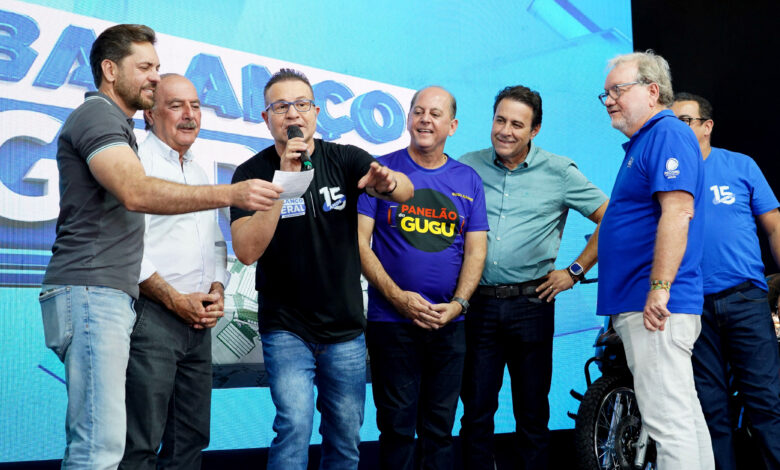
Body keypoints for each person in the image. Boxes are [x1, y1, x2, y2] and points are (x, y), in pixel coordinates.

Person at [38, 24, 281, 469]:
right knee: (107, 446)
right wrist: (232, 194)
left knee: (162, 440)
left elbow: (210, 242)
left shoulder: (162, 151)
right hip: (119, 300)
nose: (154, 76)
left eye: (157, 67)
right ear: (110, 70)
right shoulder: (101, 120)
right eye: (145, 67)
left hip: (138, 304)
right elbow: (136, 194)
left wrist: (216, 288)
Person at [229, 68, 413, 470]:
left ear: (315, 112)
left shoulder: (345, 158)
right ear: (266, 118)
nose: (292, 114)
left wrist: (388, 183)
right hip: (286, 327)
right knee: (294, 426)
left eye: (301, 104)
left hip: (344, 328)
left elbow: (404, 189)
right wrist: (284, 180)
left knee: (345, 437)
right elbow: (245, 251)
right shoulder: (250, 174)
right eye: (281, 106)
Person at [458, 85, 608, 469]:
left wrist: (575, 271)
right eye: (500, 120)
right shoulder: (467, 167)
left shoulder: (559, 171)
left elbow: (612, 218)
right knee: (475, 411)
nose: (505, 131)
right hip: (477, 304)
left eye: (517, 124)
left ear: (534, 130)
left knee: (532, 413)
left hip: (532, 304)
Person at [356, 86, 488, 469]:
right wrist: (398, 298)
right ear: (408, 118)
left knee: (440, 431)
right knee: (396, 430)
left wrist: (458, 305)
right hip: (391, 322)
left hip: (449, 325)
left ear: (453, 125)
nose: (425, 119)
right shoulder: (380, 172)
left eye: (435, 113)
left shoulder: (468, 180)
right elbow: (359, 243)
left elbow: (476, 251)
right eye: (418, 111)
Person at [597, 51, 714, 469]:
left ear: (652, 91)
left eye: (617, 90)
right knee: (683, 420)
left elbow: (678, 212)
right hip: (649, 302)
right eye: (605, 93)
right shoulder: (649, 140)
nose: (609, 100)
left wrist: (659, 287)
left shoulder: (666, 133)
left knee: (668, 425)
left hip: (654, 306)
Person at [117, 74, 228, 469]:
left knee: (190, 439)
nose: (189, 114)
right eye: (176, 105)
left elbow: (216, 243)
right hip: (151, 317)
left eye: (195, 106)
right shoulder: (135, 163)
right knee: (140, 440)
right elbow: (125, 245)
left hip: (198, 323)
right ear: (150, 114)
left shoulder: (198, 171)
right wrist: (174, 299)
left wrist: (217, 289)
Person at [672, 92, 780, 470]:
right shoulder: (666, 175)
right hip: (691, 305)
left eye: (685, 121)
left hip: (745, 299)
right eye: (671, 123)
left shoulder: (740, 165)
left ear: (707, 126)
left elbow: (774, 227)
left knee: (767, 403)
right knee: (711, 409)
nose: (677, 130)